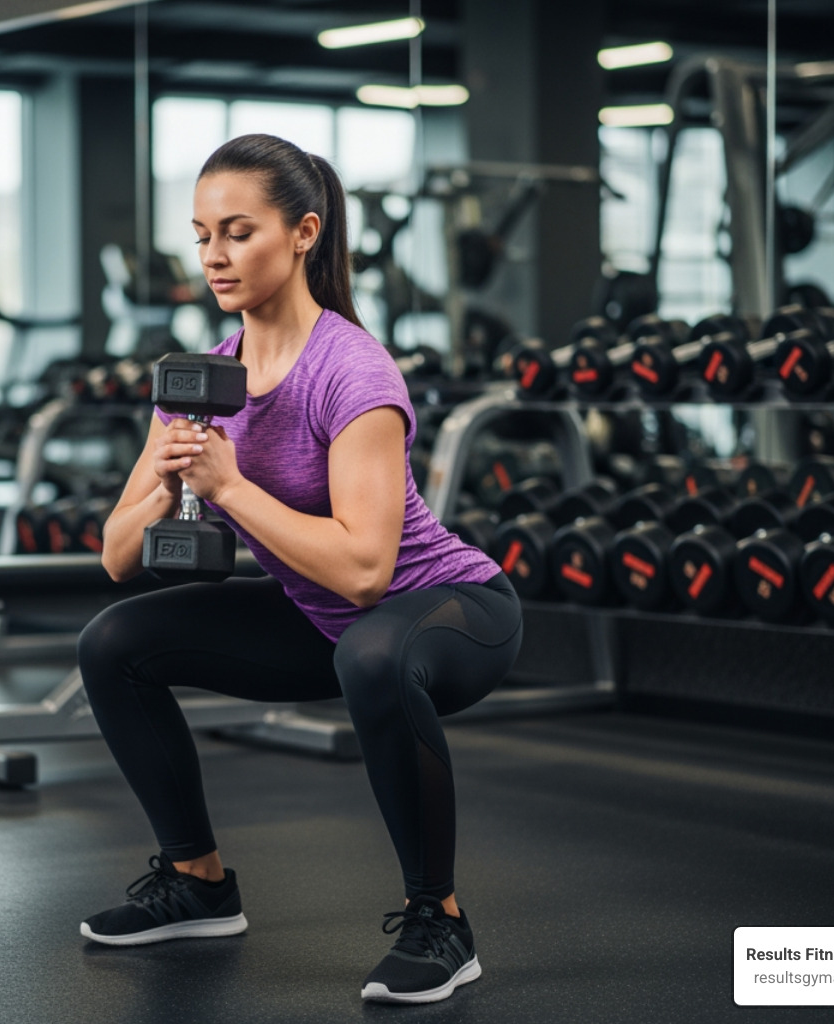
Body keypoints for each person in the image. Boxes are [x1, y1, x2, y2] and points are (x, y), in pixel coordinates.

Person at [75, 133, 523, 1006]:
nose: (214, 255)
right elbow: (117, 556)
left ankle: (441, 920)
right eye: (202, 234)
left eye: (238, 232)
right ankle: (197, 882)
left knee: (373, 653)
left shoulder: (352, 371)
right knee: (115, 641)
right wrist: (164, 486)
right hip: (325, 619)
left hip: (449, 609)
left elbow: (363, 572)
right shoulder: (203, 377)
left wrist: (231, 487)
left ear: (305, 233)